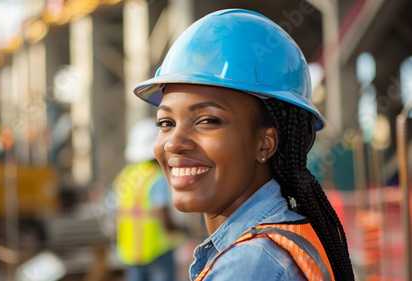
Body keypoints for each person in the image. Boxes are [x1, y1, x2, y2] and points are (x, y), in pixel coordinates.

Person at [132, 9, 354, 281]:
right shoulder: (287, 236)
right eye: (166, 123)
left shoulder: (249, 265)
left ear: (265, 143)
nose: (174, 143)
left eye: (207, 120)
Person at [114, 118, 184, 281]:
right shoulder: (156, 176)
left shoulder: (126, 175)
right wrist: (178, 230)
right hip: (157, 251)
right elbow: (161, 213)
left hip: (130, 252)